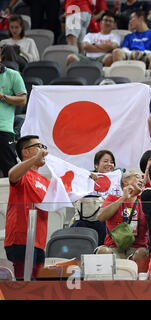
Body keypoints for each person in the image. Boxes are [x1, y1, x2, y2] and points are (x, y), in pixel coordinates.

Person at [4, 135, 49, 279]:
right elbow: (12, 175)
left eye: (43, 147)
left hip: (39, 242)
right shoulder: (22, 173)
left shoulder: (45, 181)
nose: (43, 151)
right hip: (21, 240)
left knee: (37, 289)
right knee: (24, 286)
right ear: (26, 152)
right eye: (38, 147)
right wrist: (35, 159)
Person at [96, 170, 149, 273]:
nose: (141, 180)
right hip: (114, 247)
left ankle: (139, 287)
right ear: (125, 181)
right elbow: (101, 217)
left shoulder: (144, 201)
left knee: (142, 252)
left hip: (136, 249)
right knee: (102, 251)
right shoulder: (113, 198)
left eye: (142, 178)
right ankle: (104, 287)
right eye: (137, 176)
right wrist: (123, 198)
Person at [70, 149, 119, 245]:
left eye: (112, 162)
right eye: (105, 161)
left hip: (105, 225)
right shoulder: (85, 179)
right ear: (96, 165)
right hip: (83, 224)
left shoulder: (118, 181)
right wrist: (86, 177)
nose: (109, 164)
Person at [0, 51, 27, 177]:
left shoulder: (13, 75)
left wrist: (3, 97)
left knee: (11, 173)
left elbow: (23, 100)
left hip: (4, 129)